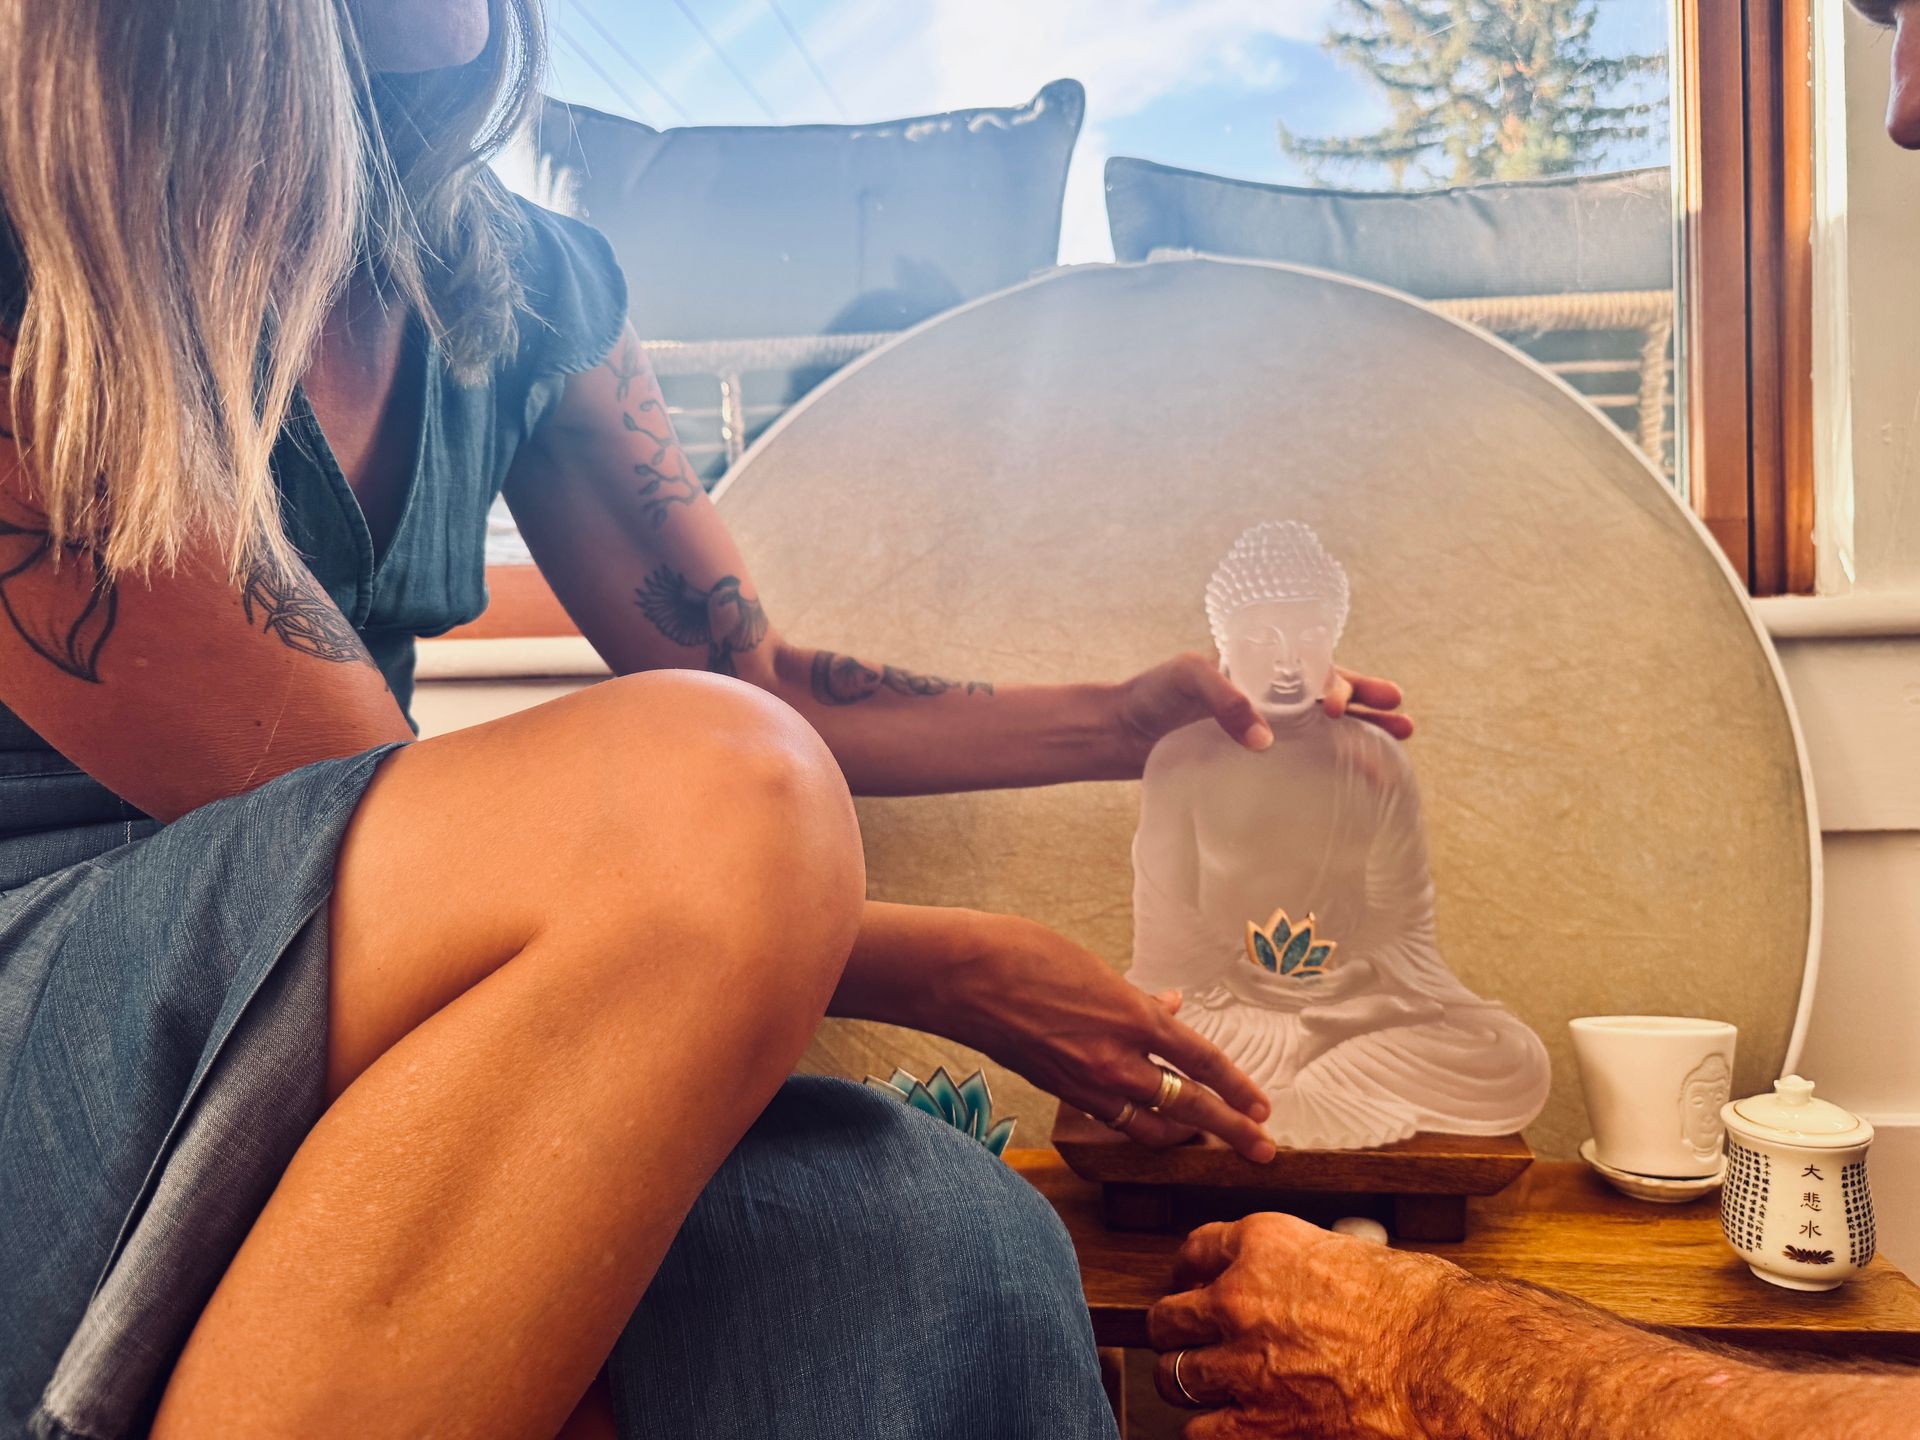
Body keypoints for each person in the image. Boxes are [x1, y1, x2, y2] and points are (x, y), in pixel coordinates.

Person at [0, 3, 1418, 1438]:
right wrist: (949, 966)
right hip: (65, 970)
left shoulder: (524, 279)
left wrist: (1135, 716)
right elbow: (359, 812)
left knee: (943, 1240)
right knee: (715, 794)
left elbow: (762, 682)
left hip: (395, 937)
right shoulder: (37, 218)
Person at [1144, 3, 1920, 1435]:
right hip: (1248, 1030)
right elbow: (1172, 960)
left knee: (1499, 1056)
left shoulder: (1370, 762)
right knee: (1173, 1051)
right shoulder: (1185, 763)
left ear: (1323, 628)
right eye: (1255, 630)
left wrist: (1359, 1007)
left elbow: (1417, 957)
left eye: (1301, 628)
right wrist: (1256, 1014)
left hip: (1369, 1033)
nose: (1901, 109)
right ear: (1222, 637)